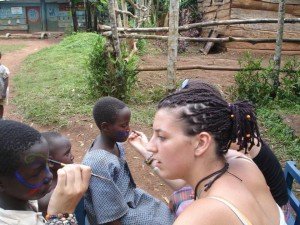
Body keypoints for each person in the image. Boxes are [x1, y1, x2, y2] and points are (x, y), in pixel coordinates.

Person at [131, 81, 286, 225]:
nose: (150, 146)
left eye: (162, 137)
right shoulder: (241, 161)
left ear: (201, 142)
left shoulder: (197, 218)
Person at [82, 96, 174, 225]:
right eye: (123, 125)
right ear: (105, 127)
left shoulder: (115, 145)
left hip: (130, 200)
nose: (128, 129)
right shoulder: (99, 163)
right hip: (118, 216)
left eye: (128, 124)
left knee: (167, 213)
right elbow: (109, 218)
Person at [0, 120, 91, 225]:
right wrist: (60, 217)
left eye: (47, 163)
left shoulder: (19, 198)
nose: (49, 176)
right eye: (36, 173)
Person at [38, 132, 75, 214]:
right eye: (67, 154)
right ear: (51, 162)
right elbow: (41, 204)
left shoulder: (67, 172)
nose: (72, 157)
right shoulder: (43, 183)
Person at [0, 52, 10, 119]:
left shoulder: (3, 69)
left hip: (1, 91)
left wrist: (3, 92)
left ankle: (0, 118)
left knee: (0, 105)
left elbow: (6, 80)